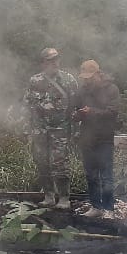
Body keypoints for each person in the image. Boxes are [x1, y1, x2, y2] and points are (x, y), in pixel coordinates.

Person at [24, 48, 79, 210]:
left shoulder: (68, 80)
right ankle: (48, 196)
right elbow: (28, 105)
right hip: (39, 130)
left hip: (60, 130)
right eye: (50, 60)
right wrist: (27, 129)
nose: (55, 63)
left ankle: (64, 198)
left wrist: (76, 130)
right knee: (42, 162)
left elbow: (76, 107)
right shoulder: (34, 81)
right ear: (43, 63)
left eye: (56, 59)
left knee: (60, 163)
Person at [74, 60, 121, 218]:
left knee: (106, 175)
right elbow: (74, 110)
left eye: (89, 77)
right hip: (87, 138)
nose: (86, 80)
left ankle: (109, 209)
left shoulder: (111, 89)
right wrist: (77, 114)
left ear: (97, 74)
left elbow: (113, 112)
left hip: (104, 138)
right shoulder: (82, 91)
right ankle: (96, 206)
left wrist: (92, 111)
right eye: (84, 77)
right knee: (91, 175)